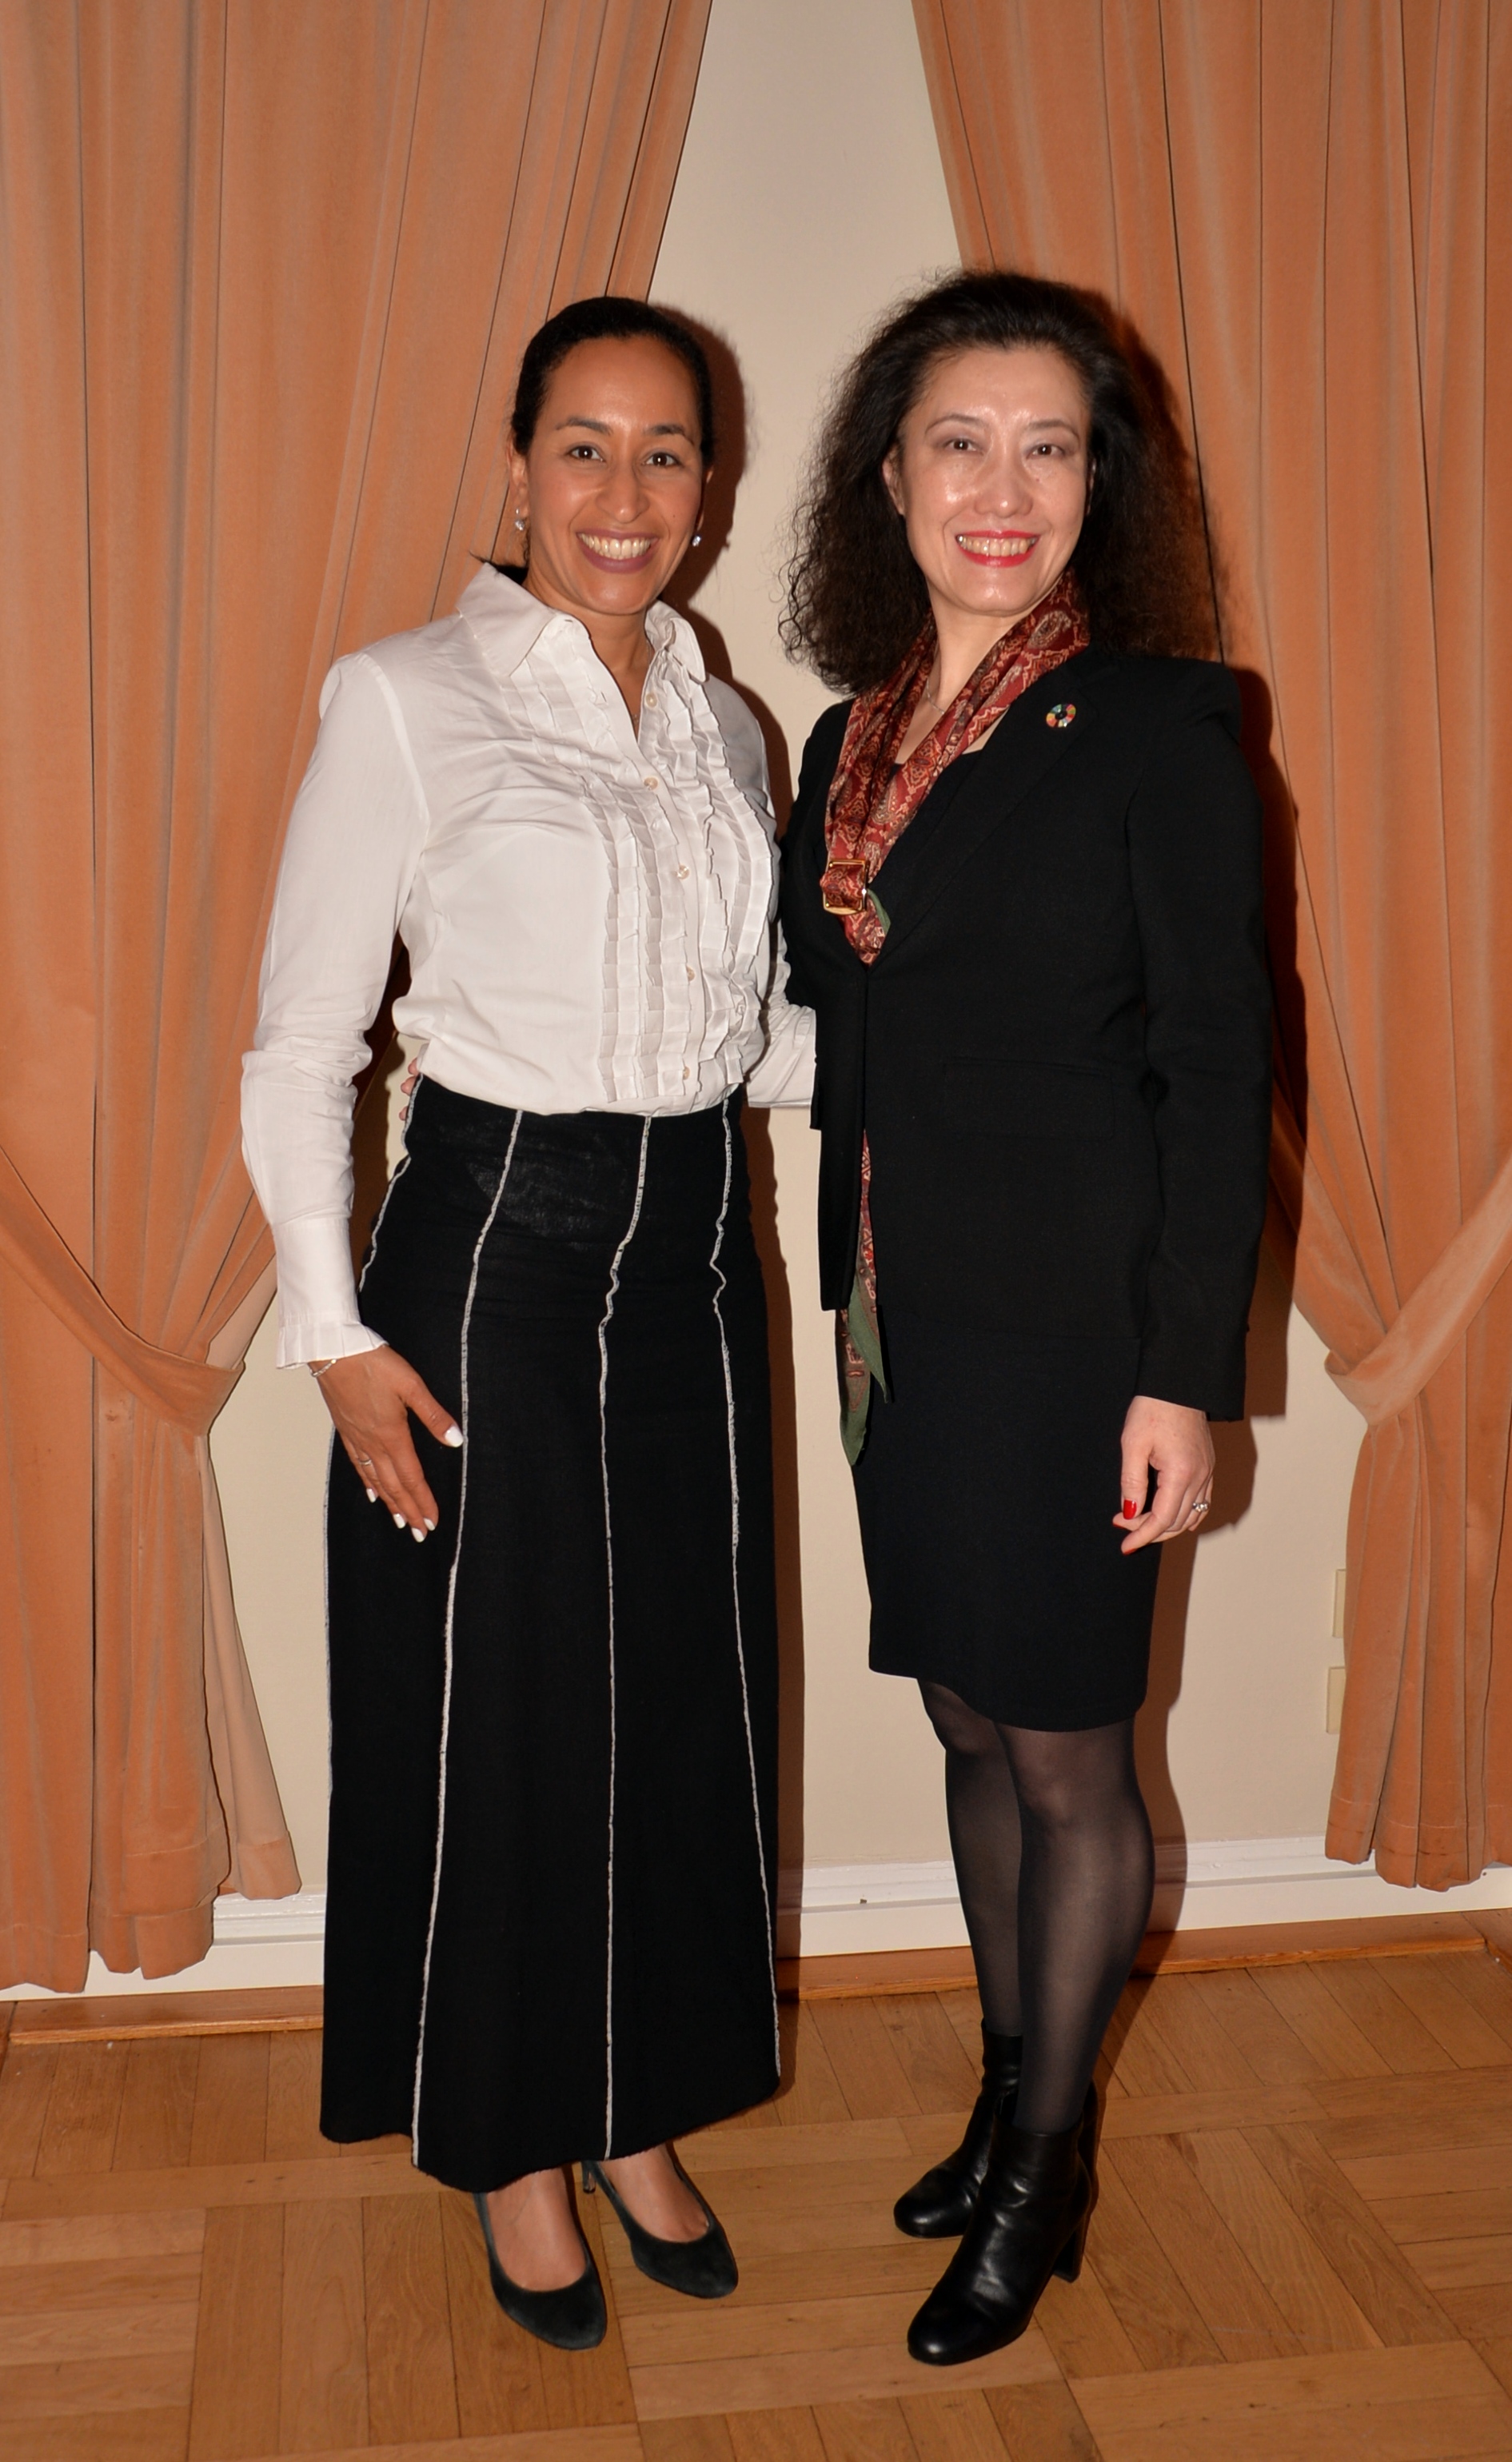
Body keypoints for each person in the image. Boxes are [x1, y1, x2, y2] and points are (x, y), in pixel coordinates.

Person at [241, 296, 814, 2352]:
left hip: (697, 1259)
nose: (624, 493)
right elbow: (304, 1044)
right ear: (517, 468)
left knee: (681, 1706)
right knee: (503, 1723)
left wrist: (957, 1037)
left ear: (709, 489)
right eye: (585, 446)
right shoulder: (405, 697)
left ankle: (636, 2103)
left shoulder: (726, 729)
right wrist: (333, 1335)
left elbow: (744, 1039)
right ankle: (511, 2143)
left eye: (667, 452)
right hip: (491, 1260)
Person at [778, 270, 1271, 2366]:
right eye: (959, 443)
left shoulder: (1161, 726)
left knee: (1069, 1751)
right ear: (887, 480)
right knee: (967, 1716)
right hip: (895, 1327)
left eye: (1047, 446)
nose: (1002, 488)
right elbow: (836, 1025)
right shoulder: (848, 739)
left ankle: (1043, 2172)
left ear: (1097, 485)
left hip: (1078, 1341)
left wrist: (1182, 1377)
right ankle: (1007, 2091)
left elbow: (1219, 1068)